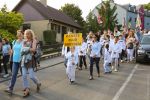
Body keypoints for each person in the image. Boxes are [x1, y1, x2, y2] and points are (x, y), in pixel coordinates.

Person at [21, 29, 41, 97]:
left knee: (31, 76)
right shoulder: (24, 41)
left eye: (28, 34)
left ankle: (38, 83)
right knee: (24, 75)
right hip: (24, 60)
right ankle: (27, 89)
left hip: (30, 60)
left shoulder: (34, 41)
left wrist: (25, 49)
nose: (27, 35)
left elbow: (34, 49)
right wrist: (29, 49)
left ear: (31, 34)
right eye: (26, 34)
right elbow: (22, 50)